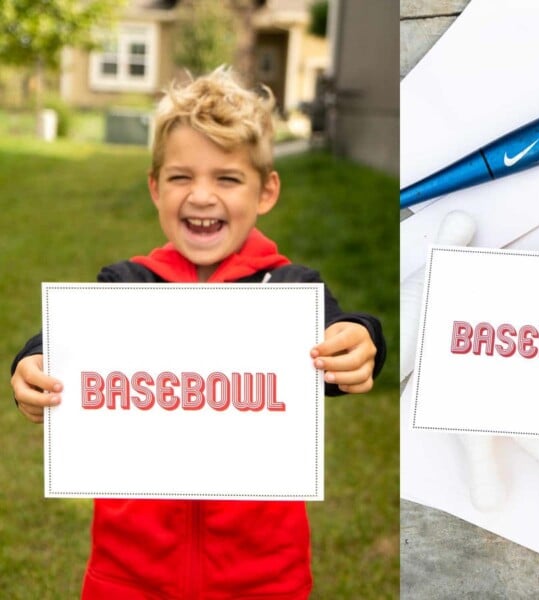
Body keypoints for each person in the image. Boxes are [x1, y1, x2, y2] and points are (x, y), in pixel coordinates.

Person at [9, 66, 386, 599]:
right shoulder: (125, 284)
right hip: (129, 572)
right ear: (155, 187)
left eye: (227, 178)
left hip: (261, 576)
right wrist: (33, 362)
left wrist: (361, 338)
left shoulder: (290, 289)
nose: (202, 196)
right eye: (182, 177)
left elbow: (342, 340)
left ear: (266, 191)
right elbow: (63, 344)